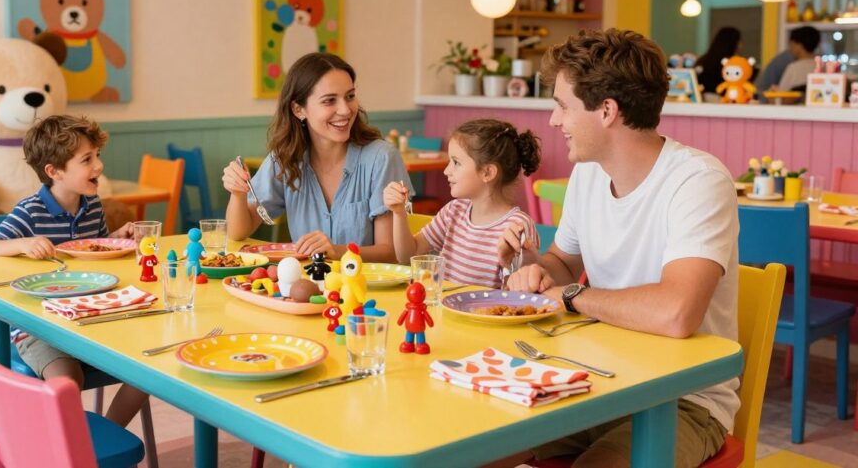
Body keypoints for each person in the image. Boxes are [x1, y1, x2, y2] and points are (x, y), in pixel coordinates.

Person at [499, 29, 739, 468]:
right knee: (463, 450)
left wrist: (571, 297)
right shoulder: (589, 173)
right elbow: (564, 263)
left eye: (562, 106)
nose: (554, 121)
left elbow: (676, 313)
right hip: (594, 378)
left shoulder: (698, 181)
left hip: (679, 398)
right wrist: (535, 267)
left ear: (607, 111)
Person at [0, 115, 147, 427]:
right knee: (68, 382)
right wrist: (24, 243)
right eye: (87, 159)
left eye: (98, 156)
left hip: (88, 315)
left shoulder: (92, 205)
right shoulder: (31, 211)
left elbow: (94, 251)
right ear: (54, 172)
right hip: (39, 327)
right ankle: (64, 445)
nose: (98, 166)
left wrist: (115, 239)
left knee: (148, 372)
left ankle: (105, 438)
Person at [223, 53, 411, 262]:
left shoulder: (381, 158)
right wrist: (237, 193)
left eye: (350, 96)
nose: (346, 109)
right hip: (308, 291)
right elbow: (237, 232)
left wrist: (336, 251)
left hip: (367, 291)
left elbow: (392, 253)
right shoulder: (285, 158)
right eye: (329, 100)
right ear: (298, 109)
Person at [383, 119, 541, 289]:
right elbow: (408, 255)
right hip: (445, 312)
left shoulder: (517, 227)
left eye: (456, 162)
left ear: (487, 172)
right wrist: (399, 213)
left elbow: (520, 293)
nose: (446, 170)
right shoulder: (453, 211)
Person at [696, 26, 742, 97]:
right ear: (734, 43)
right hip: (724, 101)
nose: (741, 45)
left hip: (701, 100)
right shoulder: (732, 64)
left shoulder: (704, 60)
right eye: (739, 42)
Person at [777, 26, 821, 92]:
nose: (790, 49)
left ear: (799, 46)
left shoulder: (794, 68)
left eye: (791, 44)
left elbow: (781, 96)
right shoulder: (822, 67)